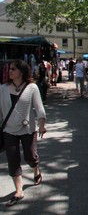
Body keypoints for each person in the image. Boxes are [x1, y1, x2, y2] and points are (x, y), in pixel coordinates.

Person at [0, 59, 47, 207]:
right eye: (9, 69)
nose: (10, 71)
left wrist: (41, 125)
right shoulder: (3, 88)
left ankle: (36, 169)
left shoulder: (32, 87)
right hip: (9, 130)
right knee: (13, 159)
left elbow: (39, 108)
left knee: (30, 156)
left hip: (28, 129)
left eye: (13, 69)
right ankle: (18, 191)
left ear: (21, 71)